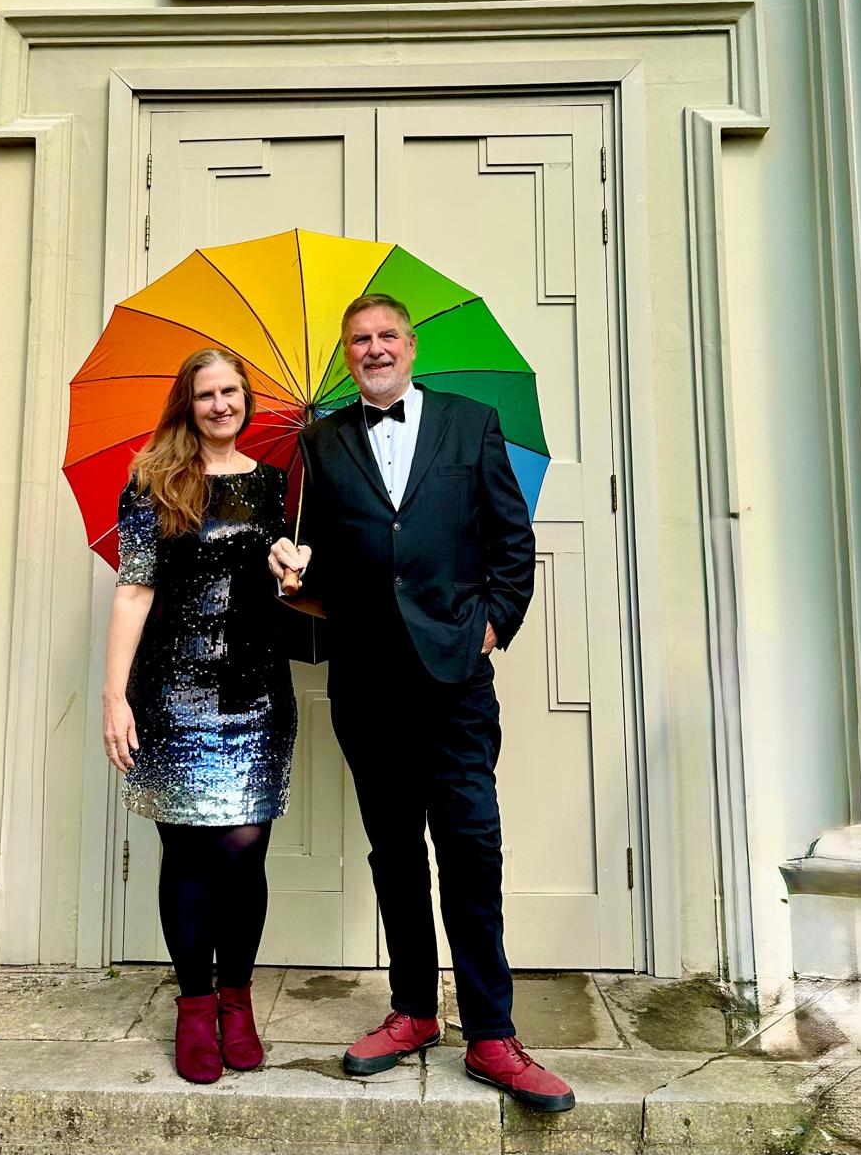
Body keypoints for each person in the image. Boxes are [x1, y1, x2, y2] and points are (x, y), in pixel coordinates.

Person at [269, 293, 575, 1113]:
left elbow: (511, 538)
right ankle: (412, 1011)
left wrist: (492, 625)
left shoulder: (469, 424)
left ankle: (491, 1034)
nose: (373, 349)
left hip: (454, 678)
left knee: (470, 848)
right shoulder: (320, 441)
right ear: (346, 356)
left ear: (409, 347)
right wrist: (295, 574)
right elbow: (323, 560)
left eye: (385, 337)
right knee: (394, 852)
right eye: (358, 340)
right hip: (365, 679)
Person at [103, 348, 295, 1084]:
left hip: (255, 691)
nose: (221, 404)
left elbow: (284, 586)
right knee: (185, 854)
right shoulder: (152, 481)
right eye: (207, 393)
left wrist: (289, 569)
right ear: (187, 403)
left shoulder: (274, 483)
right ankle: (193, 1007)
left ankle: (236, 1003)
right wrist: (114, 696)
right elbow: (133, 590)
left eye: (231, 391)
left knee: (244, 850)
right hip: (171, 691)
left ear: (247, 399)